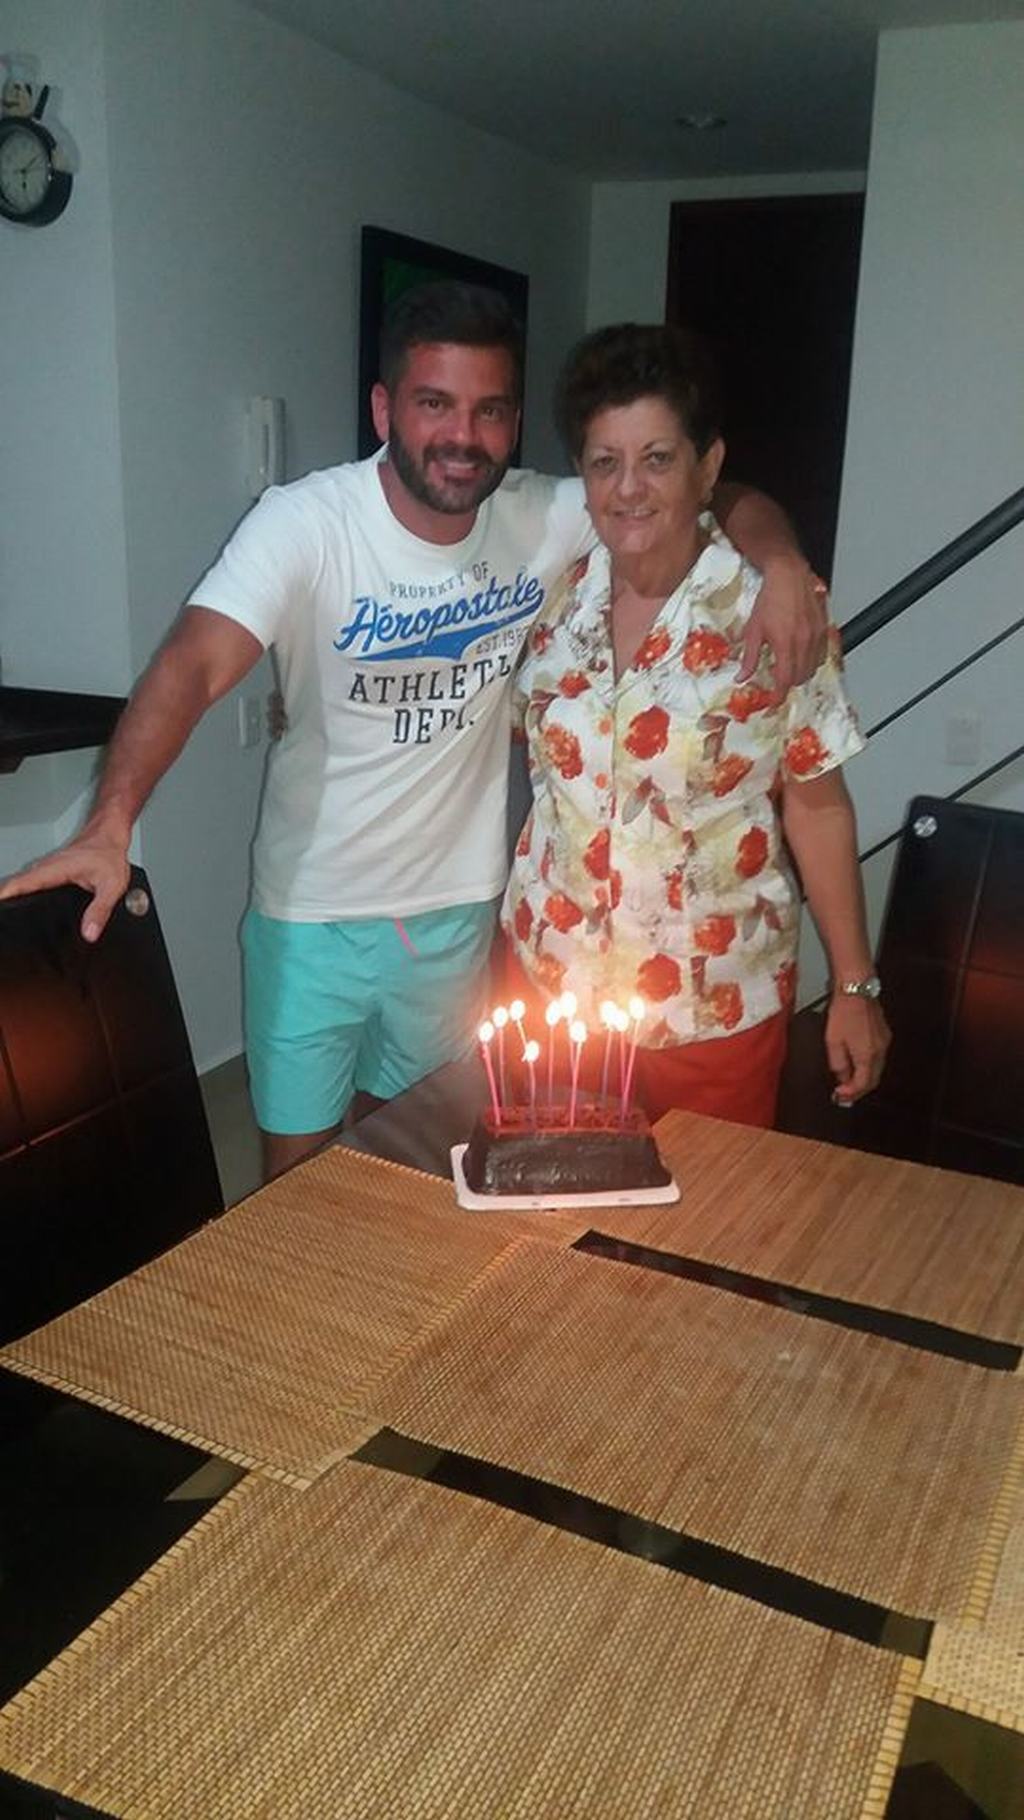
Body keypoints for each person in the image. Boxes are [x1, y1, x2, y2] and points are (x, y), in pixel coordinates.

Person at [0, 285, 828, 1178]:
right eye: (435, 403)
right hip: (312, 912)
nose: (462, 436)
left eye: (489, 410)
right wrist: (110, 822)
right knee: (298, 1173)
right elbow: (192, 664)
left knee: (416, 1158)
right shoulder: (306, 522)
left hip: (454, 914)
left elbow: (708, 490)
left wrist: (781, 559)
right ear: (384, 408)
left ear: (514, 424)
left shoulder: (552, 513)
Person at [502, 322, 889, 1125]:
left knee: (710, 1202)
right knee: (547, 1194)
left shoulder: (776, 614)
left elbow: (817, 806)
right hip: (554, 990)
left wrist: (855, 985)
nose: (628, 488)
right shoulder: (551, 601)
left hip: (713, 1007)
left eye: (657, 459)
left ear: (707, 467)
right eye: (605, 463)